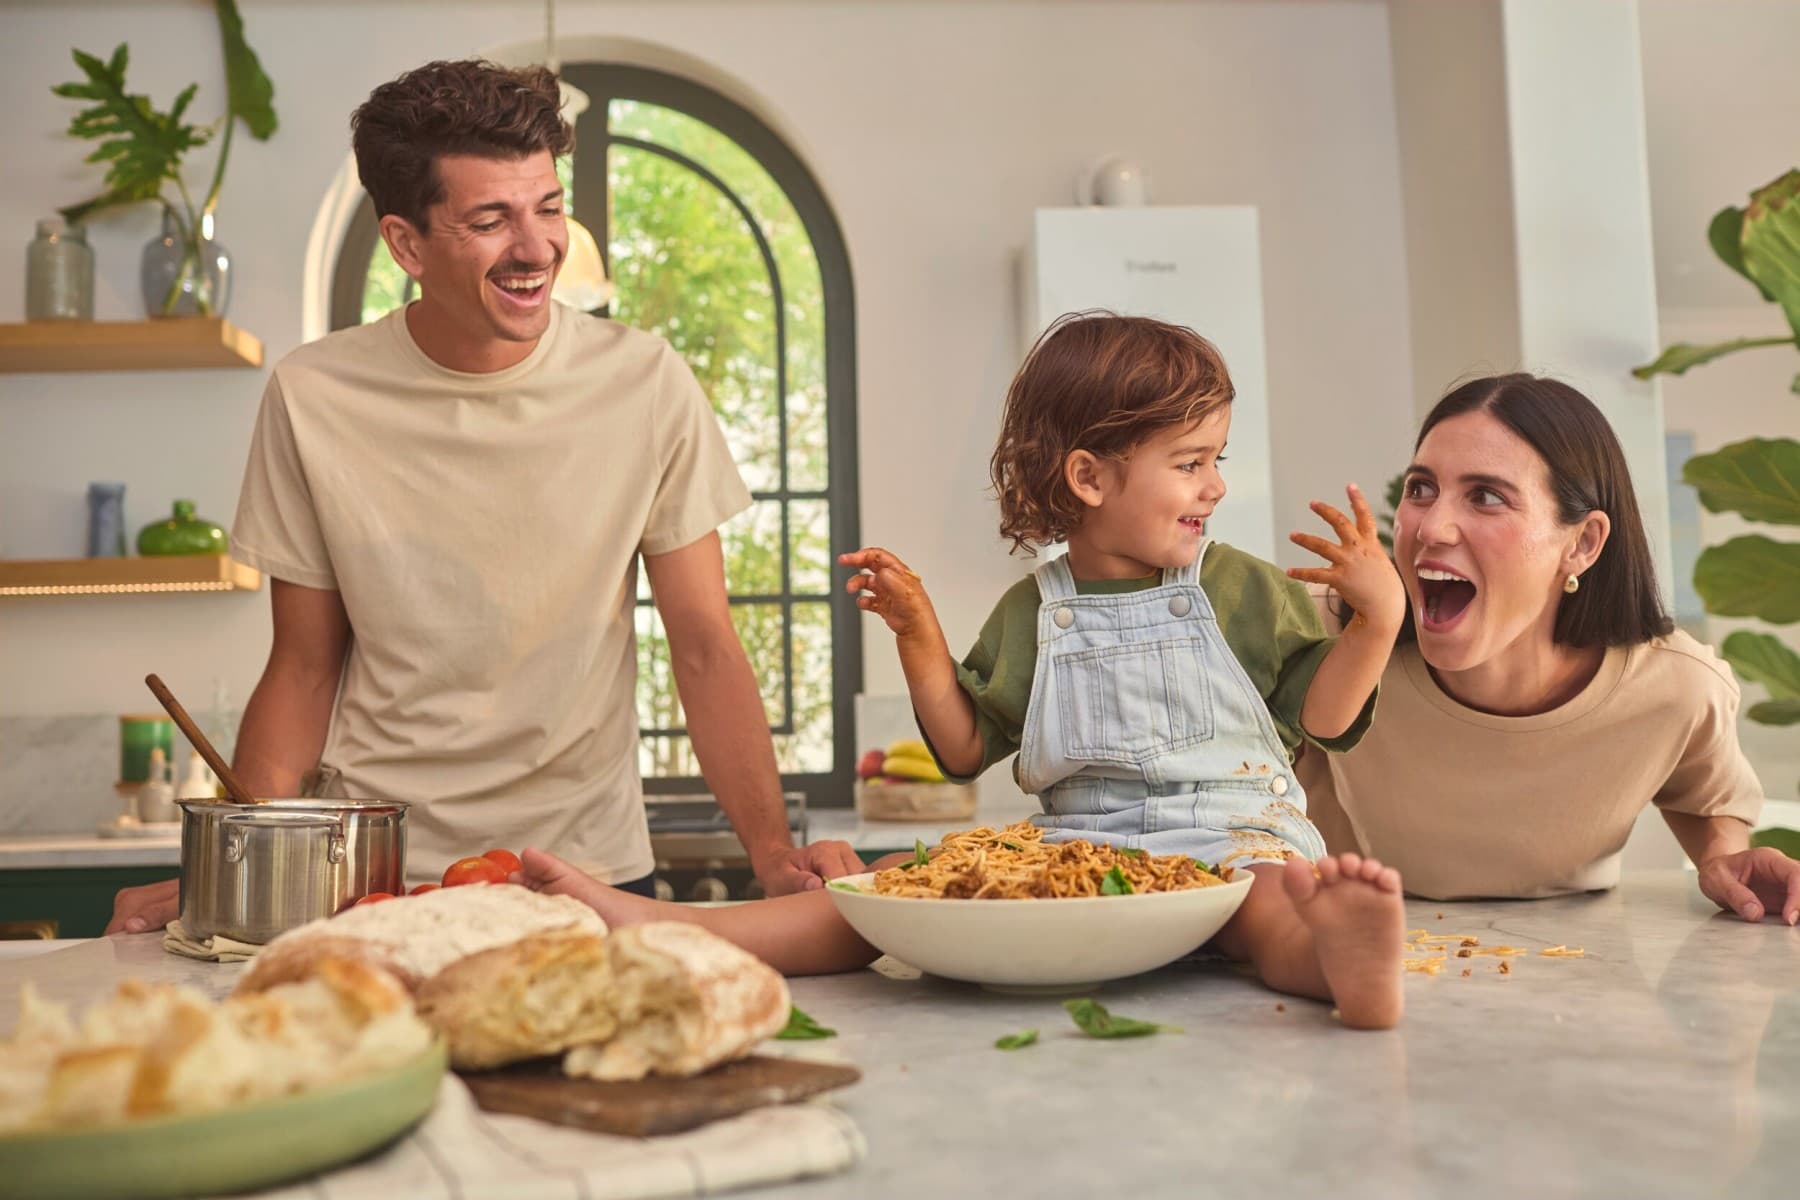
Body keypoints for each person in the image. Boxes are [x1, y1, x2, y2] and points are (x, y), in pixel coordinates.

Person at [104, 59, 859, 936]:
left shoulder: (645, 383)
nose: (538, 248)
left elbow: (702, 643)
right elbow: (304, 667)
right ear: (406, 243)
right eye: (491, 219)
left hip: (589, 873)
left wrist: (771, 855)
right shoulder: (314, 395)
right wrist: (232, 871)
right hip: (375, 877)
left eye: (547, 208)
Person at [522, 312, 1414, 1030]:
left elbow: (1327, 719)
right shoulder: (1036, 610)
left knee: (1266, 911)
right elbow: (960, 748)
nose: (1215, 485)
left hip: (1229, 842)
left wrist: (1378, 622)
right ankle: (680, 928)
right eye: (1191, 464)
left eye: (1215, 459)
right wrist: (918, 633)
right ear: (1090, 479)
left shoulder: (1238, 587)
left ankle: (1340, 962)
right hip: (1078, 857)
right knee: (882, 901)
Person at [1296, 373, 1800, 925]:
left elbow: (1708, 800)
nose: (1432, 527)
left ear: (1582, 544)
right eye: (1422, 489)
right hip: (1342, 940)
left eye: (1486, 497)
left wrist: (1724, 859)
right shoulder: (1321, 629)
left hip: (1578, 960)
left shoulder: (1677, 684)